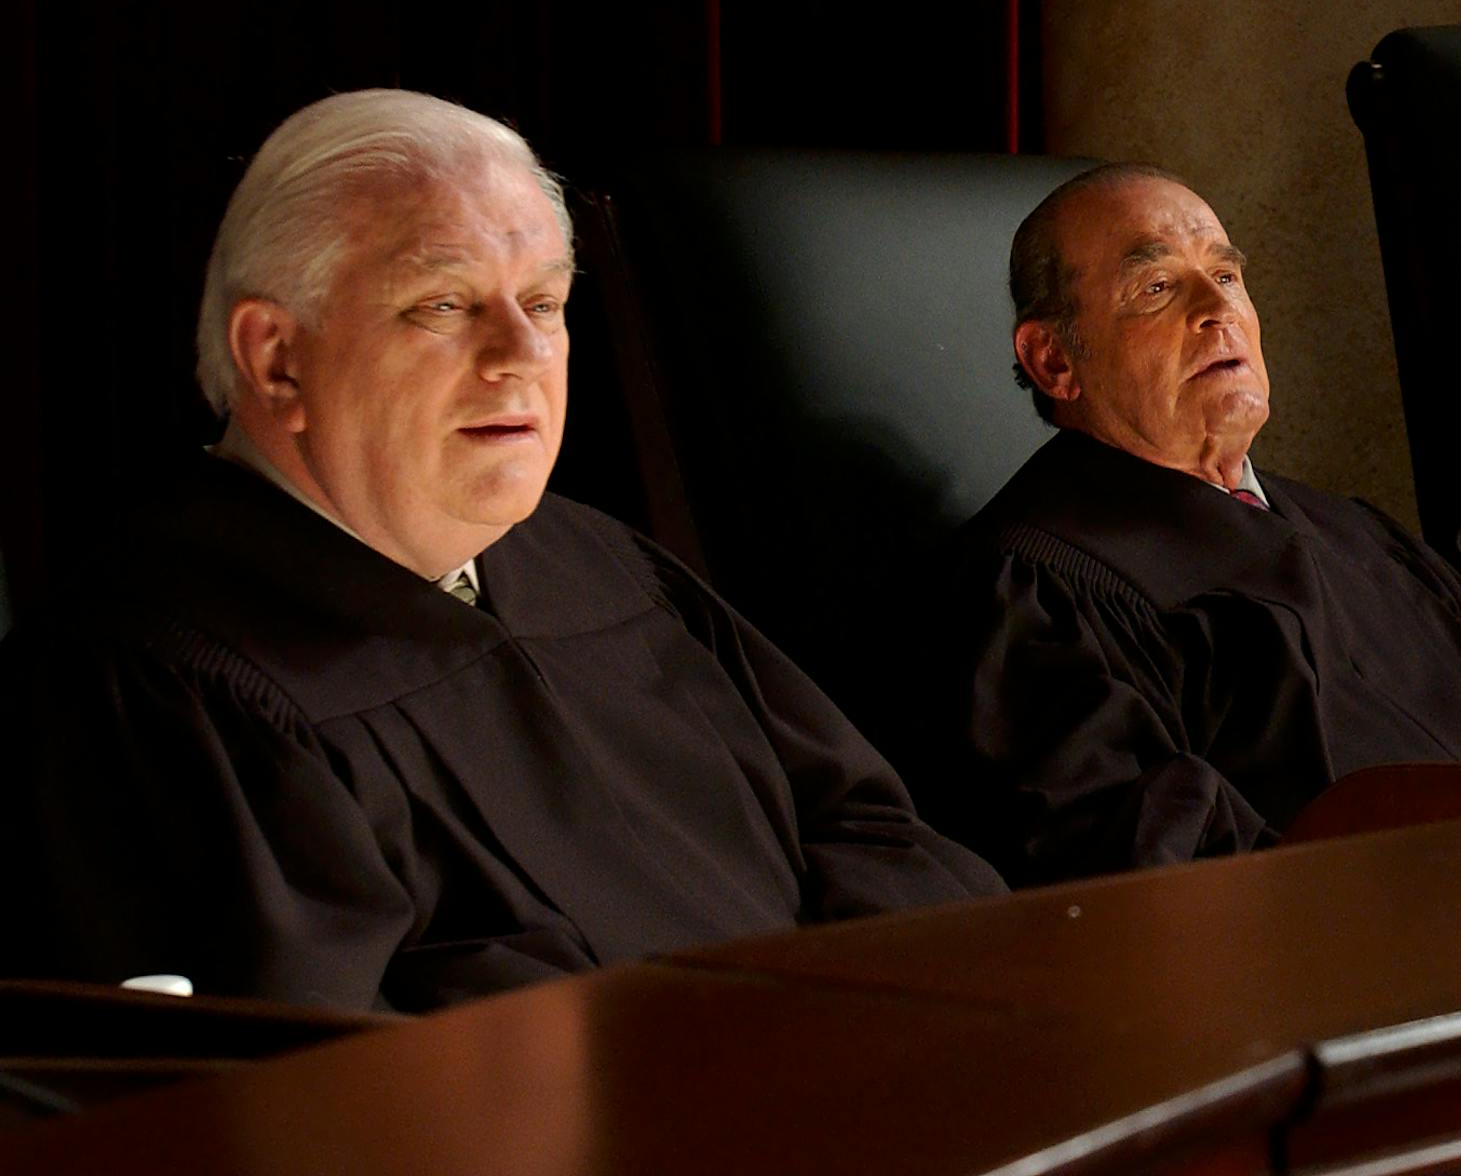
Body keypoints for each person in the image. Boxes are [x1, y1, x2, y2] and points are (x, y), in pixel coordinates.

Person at [0, 89, 1001, 1012]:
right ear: (277, 359)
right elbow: (309, 1081)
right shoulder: (158, 688)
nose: (523, 355)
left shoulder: (598, 563)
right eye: (444, 305)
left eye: (546, 303)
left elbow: (869, 829)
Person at [933, 163, 1461, 887]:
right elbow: (1157, 878)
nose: (1217, 309)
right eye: (1158, 287)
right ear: (1053, 360)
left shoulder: (1357, 533)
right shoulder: (1033, 596)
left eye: (1226, 276)